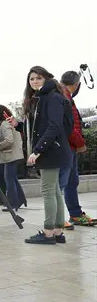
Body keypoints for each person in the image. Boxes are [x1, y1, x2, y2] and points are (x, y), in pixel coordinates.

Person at [17, 67, 72, 244]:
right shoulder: (42, 97)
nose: (34, 81)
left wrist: (37, 150)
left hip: (50, 150)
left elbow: (54, 126)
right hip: (53, 149)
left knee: (48, 191)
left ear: (46, 79)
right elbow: (39, 127)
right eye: (31, 79)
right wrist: (18, 125)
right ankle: (57, 231)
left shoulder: (52, 97)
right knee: (55, 191)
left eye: (38, 78)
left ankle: (48, 233)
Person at [59, 71, 95, 227]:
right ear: (76, 84)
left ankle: (75, 214)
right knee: (63, 183)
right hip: (67, 147)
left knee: (71, 181)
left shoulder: (64, 96)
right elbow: (70, 127)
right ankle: (59, 218)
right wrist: (80, 143)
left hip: (69, 146)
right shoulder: (64, 98)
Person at [0, 105, 25, 211]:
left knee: (9, 180)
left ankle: (12, 204)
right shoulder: (6, 123)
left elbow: (9, 140)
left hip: (10, 156)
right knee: (13, 179)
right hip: (13, 155)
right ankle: (20, 200)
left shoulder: (4, 124)